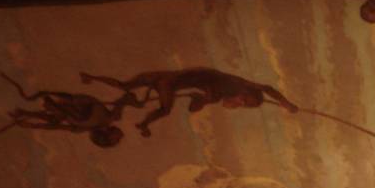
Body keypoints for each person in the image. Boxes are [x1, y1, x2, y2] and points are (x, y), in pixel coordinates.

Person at [79, 68, 298, 136]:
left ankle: (91, 77)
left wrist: (198, 100)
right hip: (168, 83)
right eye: (244, 101)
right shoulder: (232, 85)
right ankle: (144, 124)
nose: (239, 104)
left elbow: (194, 106)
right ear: (244, 93)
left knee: (124, 85)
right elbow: (267, 88)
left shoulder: (223, 90)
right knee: (165, 110)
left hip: (161, 76)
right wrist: (286, 103)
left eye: (244, 105)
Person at [2, 72, 137, 147]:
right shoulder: (112, 116)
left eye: (115, 141)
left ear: (106, 136)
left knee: (56, 119)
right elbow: (124, 99)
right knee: (65, 114)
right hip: (76, 101)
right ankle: (34, 103)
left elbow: (55, 127)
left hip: (64, 109)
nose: (119, 139)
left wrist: (31, 125)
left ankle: (25, 112)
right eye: (117, 140)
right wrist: (131, 99)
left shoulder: (82, 128)